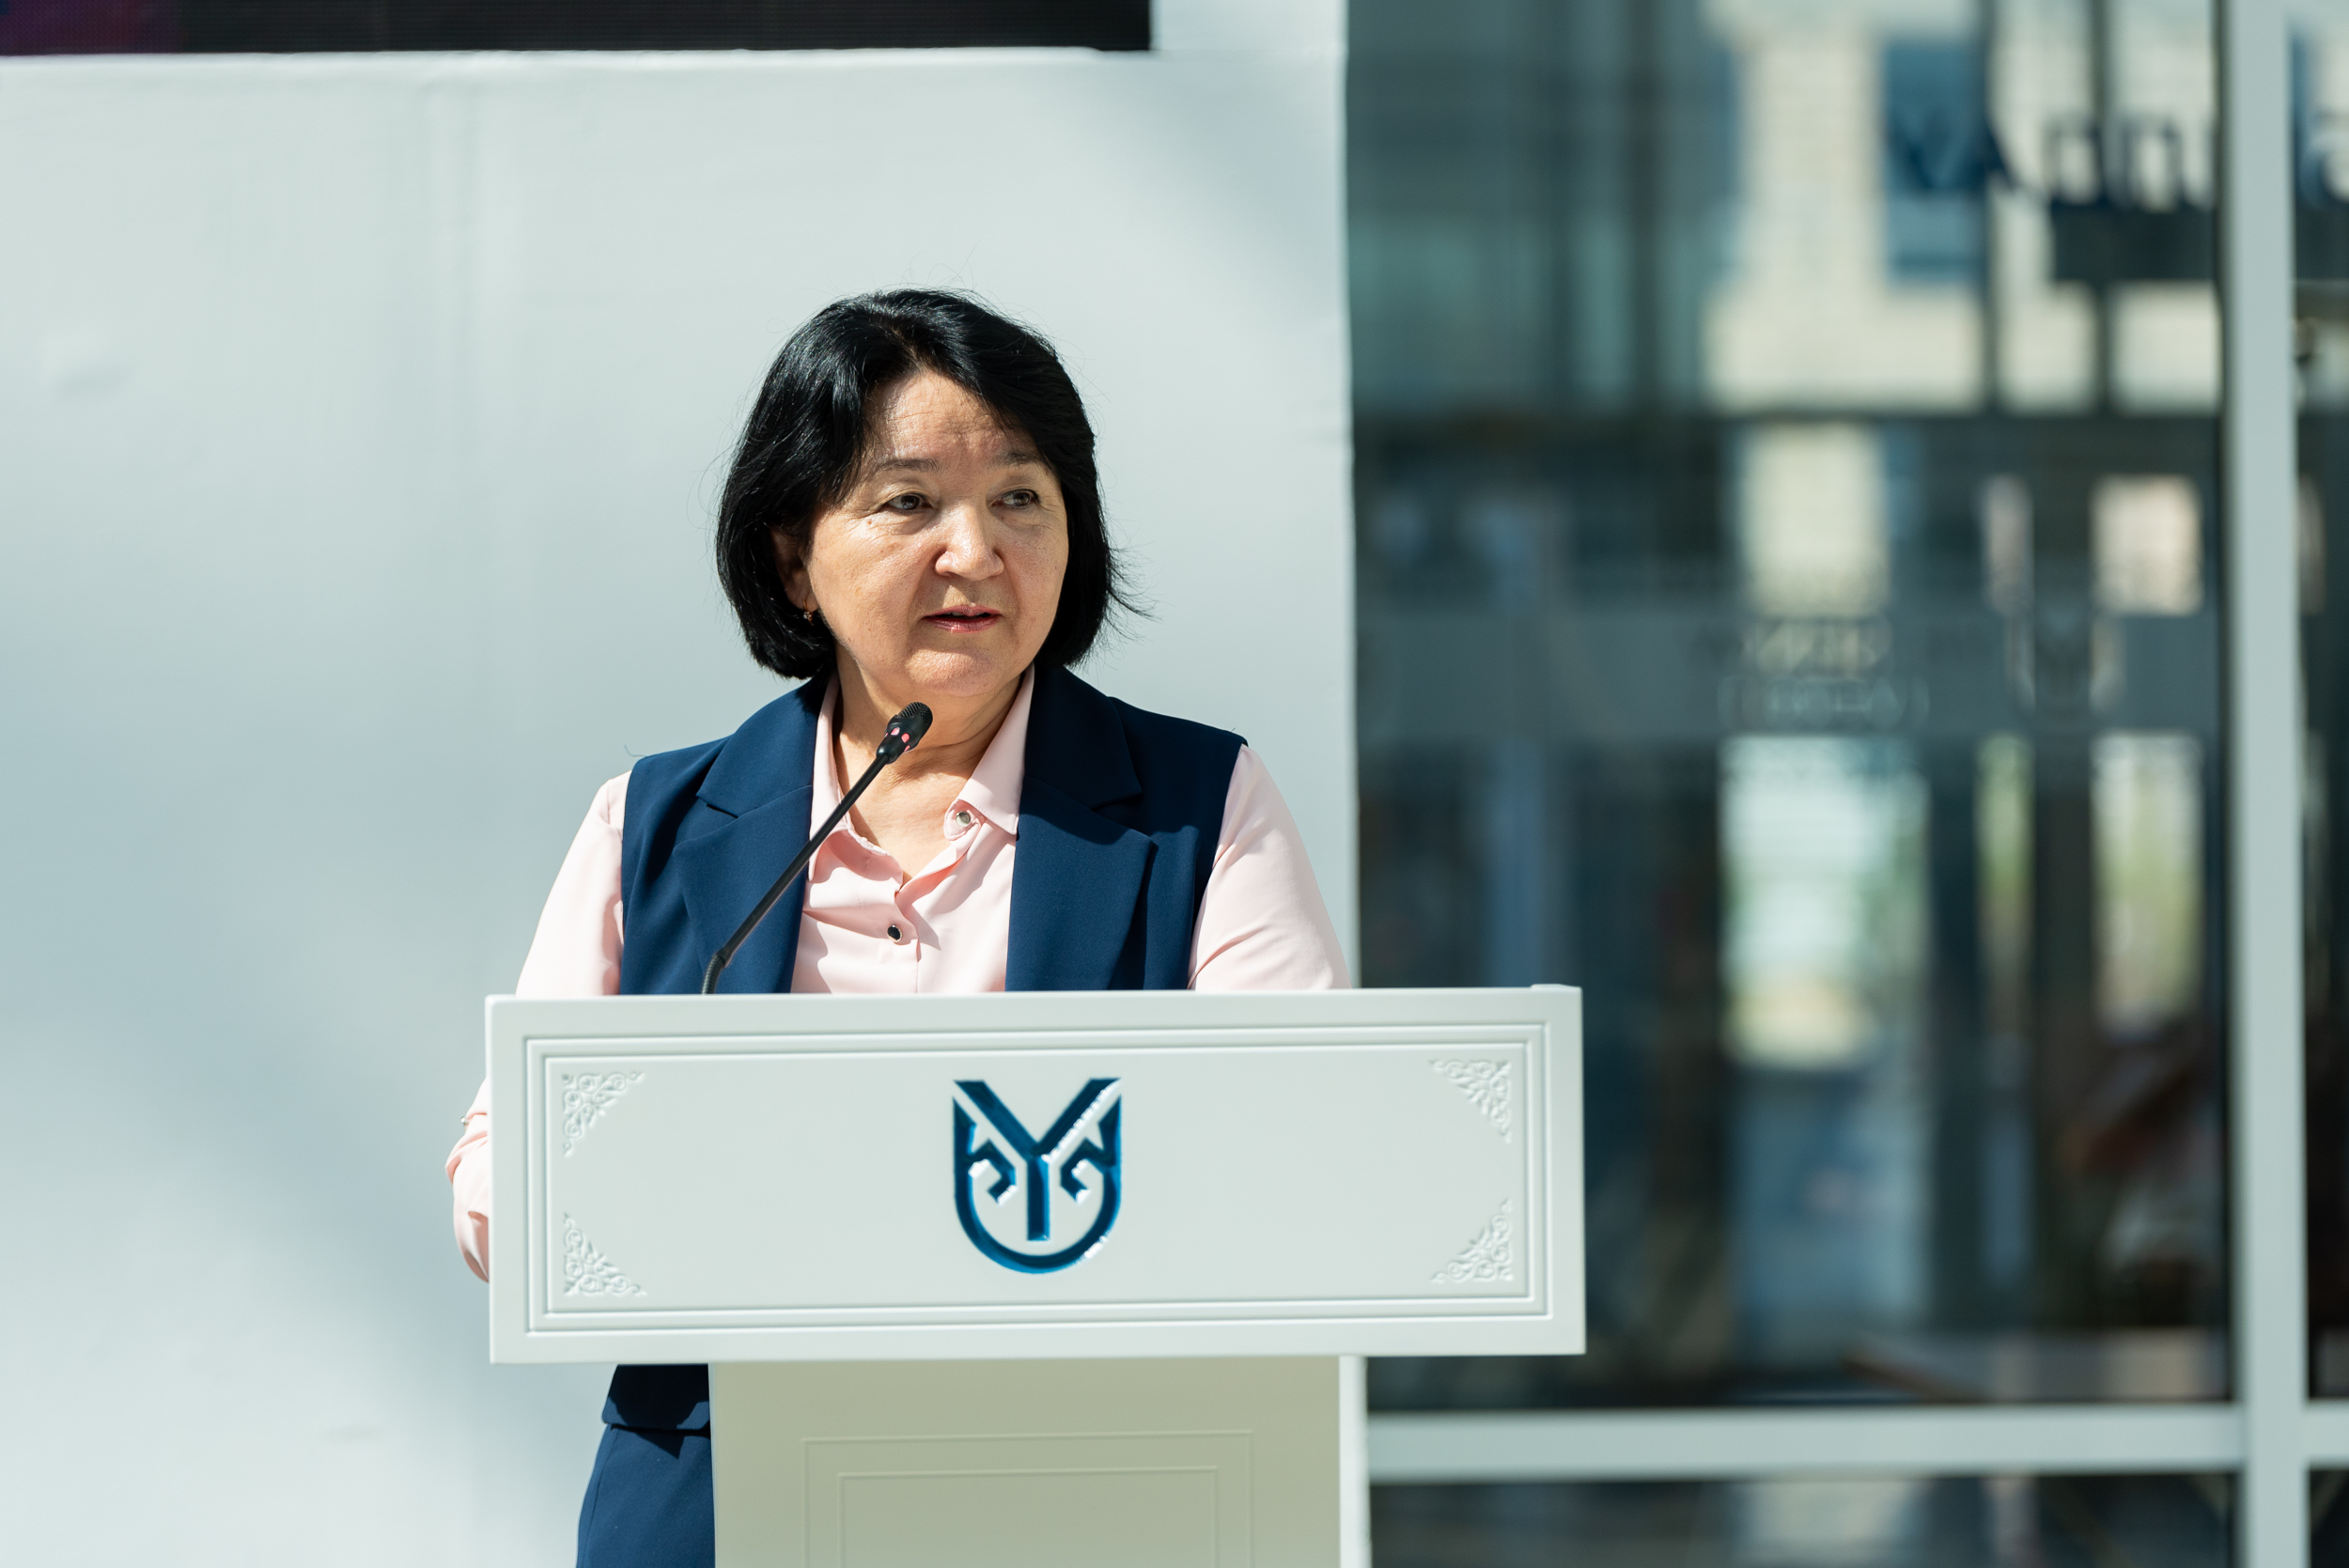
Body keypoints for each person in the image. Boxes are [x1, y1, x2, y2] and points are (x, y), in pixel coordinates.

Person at [443, 289, 1347, 1566]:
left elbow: (1304, 1144)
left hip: (1086, 1479)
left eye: (1020, 497)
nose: (974, 550)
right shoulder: (658, 822)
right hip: (720, 1483)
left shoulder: (1200, 807)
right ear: (790, 557)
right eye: (908, 501)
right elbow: (502, 1177)